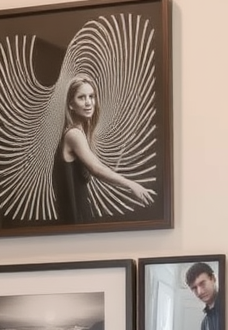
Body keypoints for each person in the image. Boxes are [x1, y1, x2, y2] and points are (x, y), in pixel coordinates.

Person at [51, 74, 153, 223]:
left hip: (78, 219)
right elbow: (96, 168)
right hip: (74, 221)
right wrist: (131, 185)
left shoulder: (79, 133)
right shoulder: (73, 134)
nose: (88, 103)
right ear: (71, 105)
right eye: (82, 97)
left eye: (91, 96)